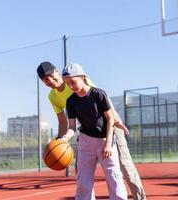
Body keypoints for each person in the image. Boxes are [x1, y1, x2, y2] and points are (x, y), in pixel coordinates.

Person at [37, 61, 146, 200]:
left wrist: (116, 123)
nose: (51, 81)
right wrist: (61, 141)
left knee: (124, 165)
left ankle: (140, 197)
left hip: (108, 121)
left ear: (57, 71)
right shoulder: (53, 96)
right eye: (46, 80)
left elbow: (102, 102)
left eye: (51, 76)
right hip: (87, 128)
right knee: (81, 170)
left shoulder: (78, 78)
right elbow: (63, 121)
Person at [61, 63, 128, 199]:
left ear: (82, 77)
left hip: (105, 139)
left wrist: (108, 143)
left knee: (114, 176)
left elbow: (110, 119)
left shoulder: (99, 94)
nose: (71, 86)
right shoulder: (71, 101)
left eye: (72, 82)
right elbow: (72, 127)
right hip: (86, 141)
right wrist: (65, 138)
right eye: (67, 84)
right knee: (83, 179)